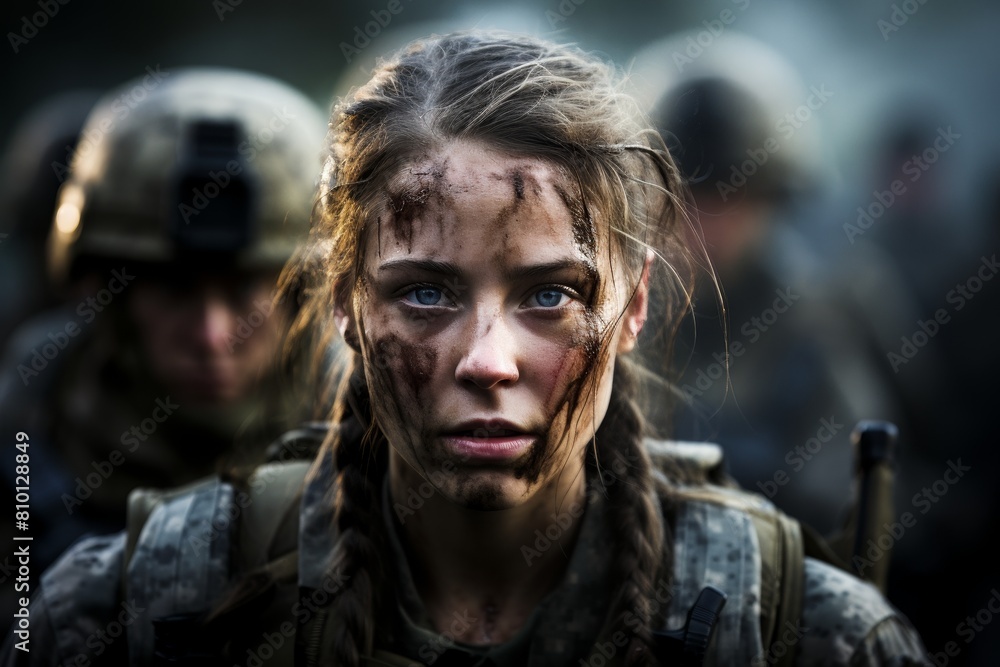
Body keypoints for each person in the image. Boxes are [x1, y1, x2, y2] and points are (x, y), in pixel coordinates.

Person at [2, 32, 929, 666]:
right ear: (342, 302)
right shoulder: (139, 601)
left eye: (551, 295)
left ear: (636, 301)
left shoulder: (805, 633)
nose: (487, 359)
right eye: (426, 292)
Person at [0, 67, 327, 622]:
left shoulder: (372, 437)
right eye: (174, 290)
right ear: (108, 292)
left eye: (247, 290)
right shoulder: (29, 427)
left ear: (309, 293)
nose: (211, 335)